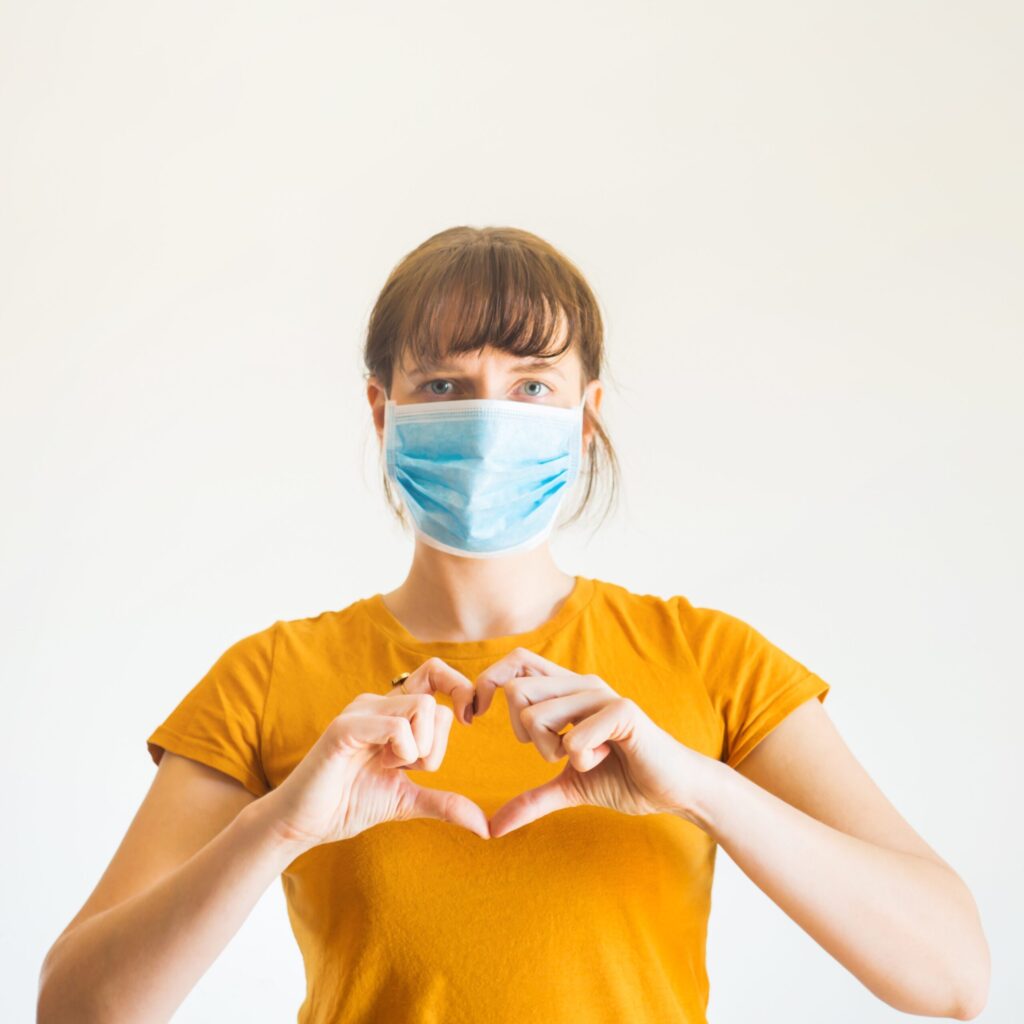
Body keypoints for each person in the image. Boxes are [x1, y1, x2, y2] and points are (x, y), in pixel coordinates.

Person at [38, 226, 990, 1023]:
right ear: (382, 411)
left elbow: (952, 975)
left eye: (532, 385)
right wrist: (275, 830)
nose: (490, 421)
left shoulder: (711, 663)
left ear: (586, 416)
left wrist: (696, 787)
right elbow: (73, 1007)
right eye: (445, 386)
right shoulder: (272, 675)